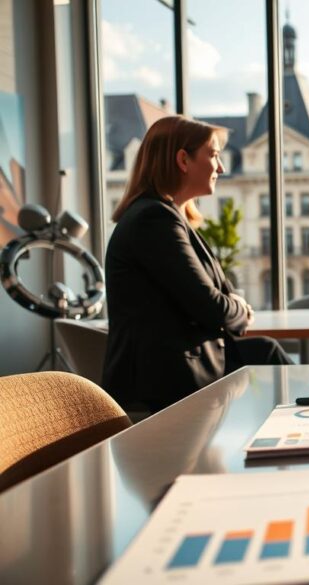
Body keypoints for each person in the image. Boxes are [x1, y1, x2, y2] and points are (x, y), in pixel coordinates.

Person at [103, 115, 291, 412]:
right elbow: (210, 306)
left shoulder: (165, 217)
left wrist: (232, 308)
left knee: (266, 352)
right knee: (269, 359)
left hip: (177, 374)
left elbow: (214, 296)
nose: (221, 167)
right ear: (183, 160)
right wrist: (239, 309)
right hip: (163, 388)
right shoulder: (155, 221)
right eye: (214, 155)